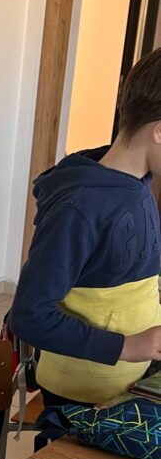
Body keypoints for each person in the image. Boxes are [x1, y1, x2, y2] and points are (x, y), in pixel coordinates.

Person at [10, 47, 161, 410]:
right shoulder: (79, 207)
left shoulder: (139, 186)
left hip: (131, 381)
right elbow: (29, 316)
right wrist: (128, 346)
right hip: (82, 397)